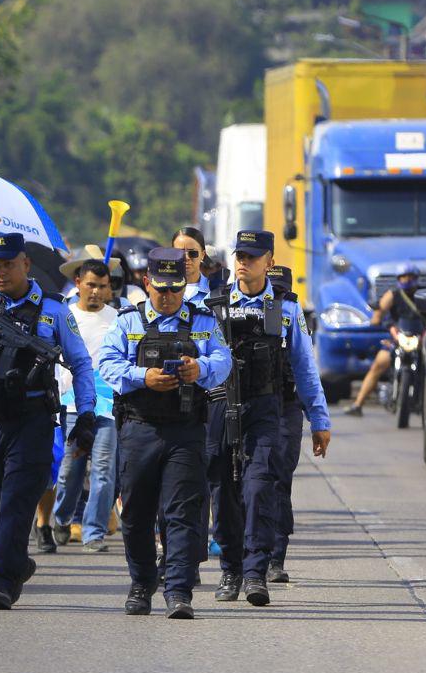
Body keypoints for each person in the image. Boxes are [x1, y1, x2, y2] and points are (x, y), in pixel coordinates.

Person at [0, 233, 97, 610]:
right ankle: (16, 560)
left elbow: (79, 363)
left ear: (25, 264)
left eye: (8, 264)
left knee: (14, 501)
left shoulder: (53, 311)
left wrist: (87, 412)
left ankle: (1, 582)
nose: (1, 272)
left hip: (32, 419)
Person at [98, 248, 232, 617]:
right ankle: (142, 584)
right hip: (139, 428)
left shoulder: (203, 321)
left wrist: (199, 368)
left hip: (185, 431)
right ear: (147, 283)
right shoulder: (128, 322)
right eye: (161, 289)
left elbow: (224, 360)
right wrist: (144, 377)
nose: (169, 296)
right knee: (136, 513)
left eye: (176, 288)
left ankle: (178, 591)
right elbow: (106, 363)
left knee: (181, 513)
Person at [207, 230, 331, 607]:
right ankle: (230, 569)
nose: (243, 262)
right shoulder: (213, 305)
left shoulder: (286, 309)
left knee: (259, 487)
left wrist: (319, 419)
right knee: (223, 492)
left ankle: (256, 572)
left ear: (269, 262)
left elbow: (305, 368)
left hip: (265, 408)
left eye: (252, 256)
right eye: (239, 255)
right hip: (220, 406)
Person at [52, 259, 121, 553]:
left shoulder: (118, 318)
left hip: (107, 406)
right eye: (91, 285)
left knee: (103, 471)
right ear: (78, 282)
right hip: (73, 404)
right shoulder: (65, 315)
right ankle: (62, 517)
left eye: (102, 286)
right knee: (70, 470)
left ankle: (94, 532)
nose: (95, 291)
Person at [342, 264, 426, 416]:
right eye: (403, 277)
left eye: (410, 277)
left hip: (422, 339)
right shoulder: (392, 294)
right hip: (399, 338)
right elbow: (379, 312)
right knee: (378, 365)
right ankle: (358, 404)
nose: (407, 280)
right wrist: (378, 319)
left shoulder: (425, 294)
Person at [265, 265, 304, 584]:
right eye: (271, 290)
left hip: (286, 406)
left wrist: (320, 419)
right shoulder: (240, 310)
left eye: (281, 292)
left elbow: (308, 371)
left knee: (279, 480)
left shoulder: (293, 318)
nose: (275, 298)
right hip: (250, 405)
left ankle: (275, 556)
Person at [172, 227, 212, 309]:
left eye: (193, 253)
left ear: (203, 255)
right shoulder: (162, 290)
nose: (186, 257)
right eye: (180, 253)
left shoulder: (215, 289)